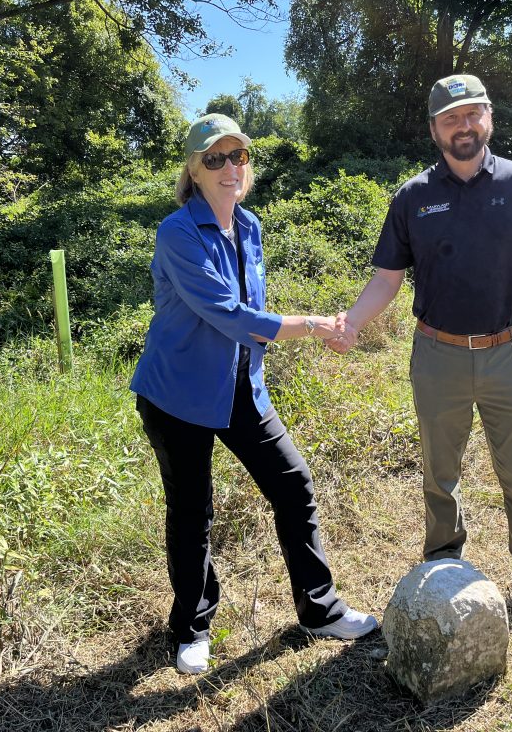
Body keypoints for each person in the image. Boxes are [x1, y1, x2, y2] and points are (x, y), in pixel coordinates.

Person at [130, 113, 378, 675]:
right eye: (213, 158)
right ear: (193, 170)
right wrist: (315, 325)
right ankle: (191, 627)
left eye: (237, 156)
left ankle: (319, 609)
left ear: (248, 165)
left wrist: (302, 333)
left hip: (241, 389)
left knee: (293, 483)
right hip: (177, 397)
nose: (228, 168)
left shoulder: (251, 226)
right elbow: (229, 315)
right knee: (192, 511)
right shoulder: (177, 233)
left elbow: (249, 319)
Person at [328, 74, 512, 628]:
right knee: (441, 474)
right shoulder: (414, 196)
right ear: (434, 129)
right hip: (436, 355)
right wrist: (351, 322)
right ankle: (441, 570)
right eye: (450, 118)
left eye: (471, 114)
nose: (463, 126)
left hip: (508, 353)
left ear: (489, 115)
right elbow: (386, 280)